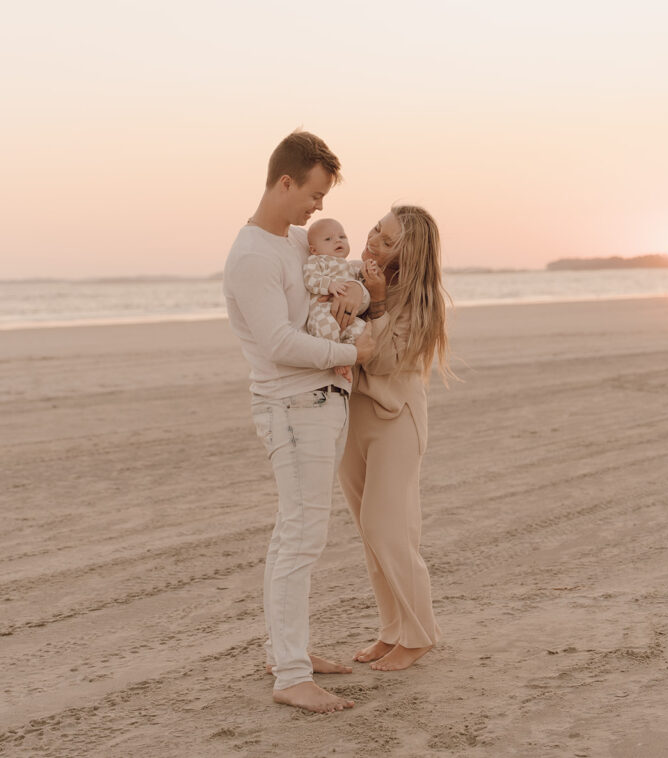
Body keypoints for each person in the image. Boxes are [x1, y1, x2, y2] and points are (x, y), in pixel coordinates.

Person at [222, 131, 375, 713]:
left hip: (318, 402)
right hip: (292, 406)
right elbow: (282, 343)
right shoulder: (252, 257)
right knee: (302, 538)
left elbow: (339, 277)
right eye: (314, 194)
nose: (319, 207)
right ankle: (290, 674)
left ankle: (289, 652)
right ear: (286, 182)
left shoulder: (291, 242)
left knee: (294, 533)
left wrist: (355, 295)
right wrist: (352, 355)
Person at [339, 205, 454, 671]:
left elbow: (383, 362)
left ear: (410, 255)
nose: (372, 243)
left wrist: (380, 302)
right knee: (370, 534)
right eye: (375, 231)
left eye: (387, 242)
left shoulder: (423, 302)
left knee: (391, 530)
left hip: (396, 420)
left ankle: (419, 633)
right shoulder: (355, 275)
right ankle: (392, 630)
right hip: (352, 417)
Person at [303, 218, 369, 346]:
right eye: (328, 239)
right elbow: (311, 279)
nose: (338, 240)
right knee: (327, 328)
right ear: (314, 250)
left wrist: (369, 270)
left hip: (346, 316)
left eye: (342, 236)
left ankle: (347, 354)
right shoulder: (317, 261)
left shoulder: (350, 266)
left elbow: (362, 281)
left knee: (361, 328)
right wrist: (329, 285)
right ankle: (337, 357)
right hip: (323, 311)